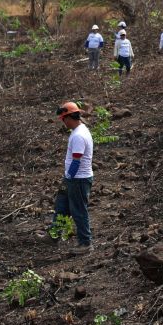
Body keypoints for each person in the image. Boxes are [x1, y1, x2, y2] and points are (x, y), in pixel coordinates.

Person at [53, 102, 94, 251]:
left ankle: (85, 243)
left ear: (69, 117)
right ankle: (54, 235)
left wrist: (68, 178)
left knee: (78, 211)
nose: (63, 123)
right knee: (61, 207)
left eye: (64, 119)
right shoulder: (78, 130)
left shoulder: (78, 136)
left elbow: (76, 161)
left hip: (78, 179)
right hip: (72, 178)